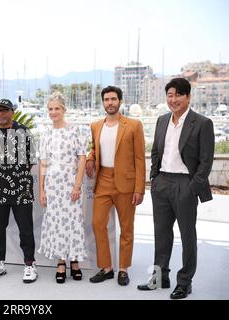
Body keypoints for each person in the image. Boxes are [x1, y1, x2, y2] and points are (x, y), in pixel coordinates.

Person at [137, 78, 215, 299]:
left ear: (188, 97)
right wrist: (155, 177)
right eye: (170, 95)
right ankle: (160, 277)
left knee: (187, 235)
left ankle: (185, 282)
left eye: (178, 95)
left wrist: (192, 188)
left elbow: (205, 162)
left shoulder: (202, 123)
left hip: (185, 185)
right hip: (162, 184)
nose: (173, 99)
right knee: (161, 234)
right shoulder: (162, 120)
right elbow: (155, 152)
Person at [86, 86, 146, 286]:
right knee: (97, 224)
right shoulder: (95, 125)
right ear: (103, 102)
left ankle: (123, 269)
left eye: (113, 99)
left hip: (126, 183)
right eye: (106, 99)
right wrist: (90, 158)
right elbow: (94, 148)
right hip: (102, 179)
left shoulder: (134, 125)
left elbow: (140, 159)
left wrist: (139, 188)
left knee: (126, 228)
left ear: (120, 101)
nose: (110, 102)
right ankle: (106, 268)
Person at [0, 98, 38, 283]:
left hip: (21, 189)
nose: (1, 114)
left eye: (5, 110)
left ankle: (30, 264)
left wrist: (17, 177)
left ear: (12, 112)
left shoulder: (23, 131)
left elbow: (31, 160)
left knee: (26, 228)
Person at [38, 92, 88, 284]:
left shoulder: (75, 131)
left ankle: (74, 261)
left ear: (64, 109)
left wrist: (77, 185)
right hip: (52, 187)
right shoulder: (46, 135)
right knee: (57, 223)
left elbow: (81, 158)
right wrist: (42, 190)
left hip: (70, 186)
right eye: (50, 109)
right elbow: (43, 164)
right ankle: (61, 262)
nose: (53, 112)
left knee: (73, 221)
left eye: (57, 108)